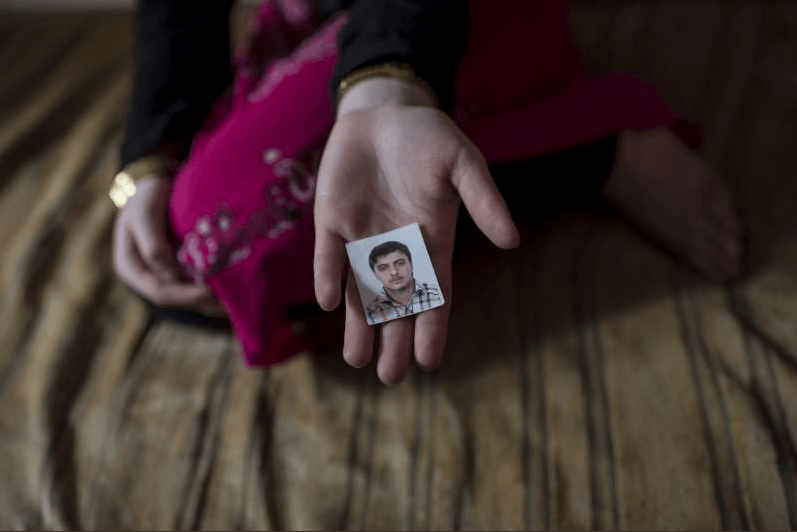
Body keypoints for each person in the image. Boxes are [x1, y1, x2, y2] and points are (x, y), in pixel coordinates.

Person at [112, 0, 744, 384]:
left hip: (452, 12)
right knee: (176, 261)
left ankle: (588, 144)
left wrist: (387, 82)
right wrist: (148, 159)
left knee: (219, 253)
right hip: (318, 17)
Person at [365, 241, 443, 325]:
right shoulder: (371, 313)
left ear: (411, 265)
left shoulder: (437, 294)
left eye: (400, 263)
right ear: (375, 274)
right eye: (383, 268)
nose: (394, 272)